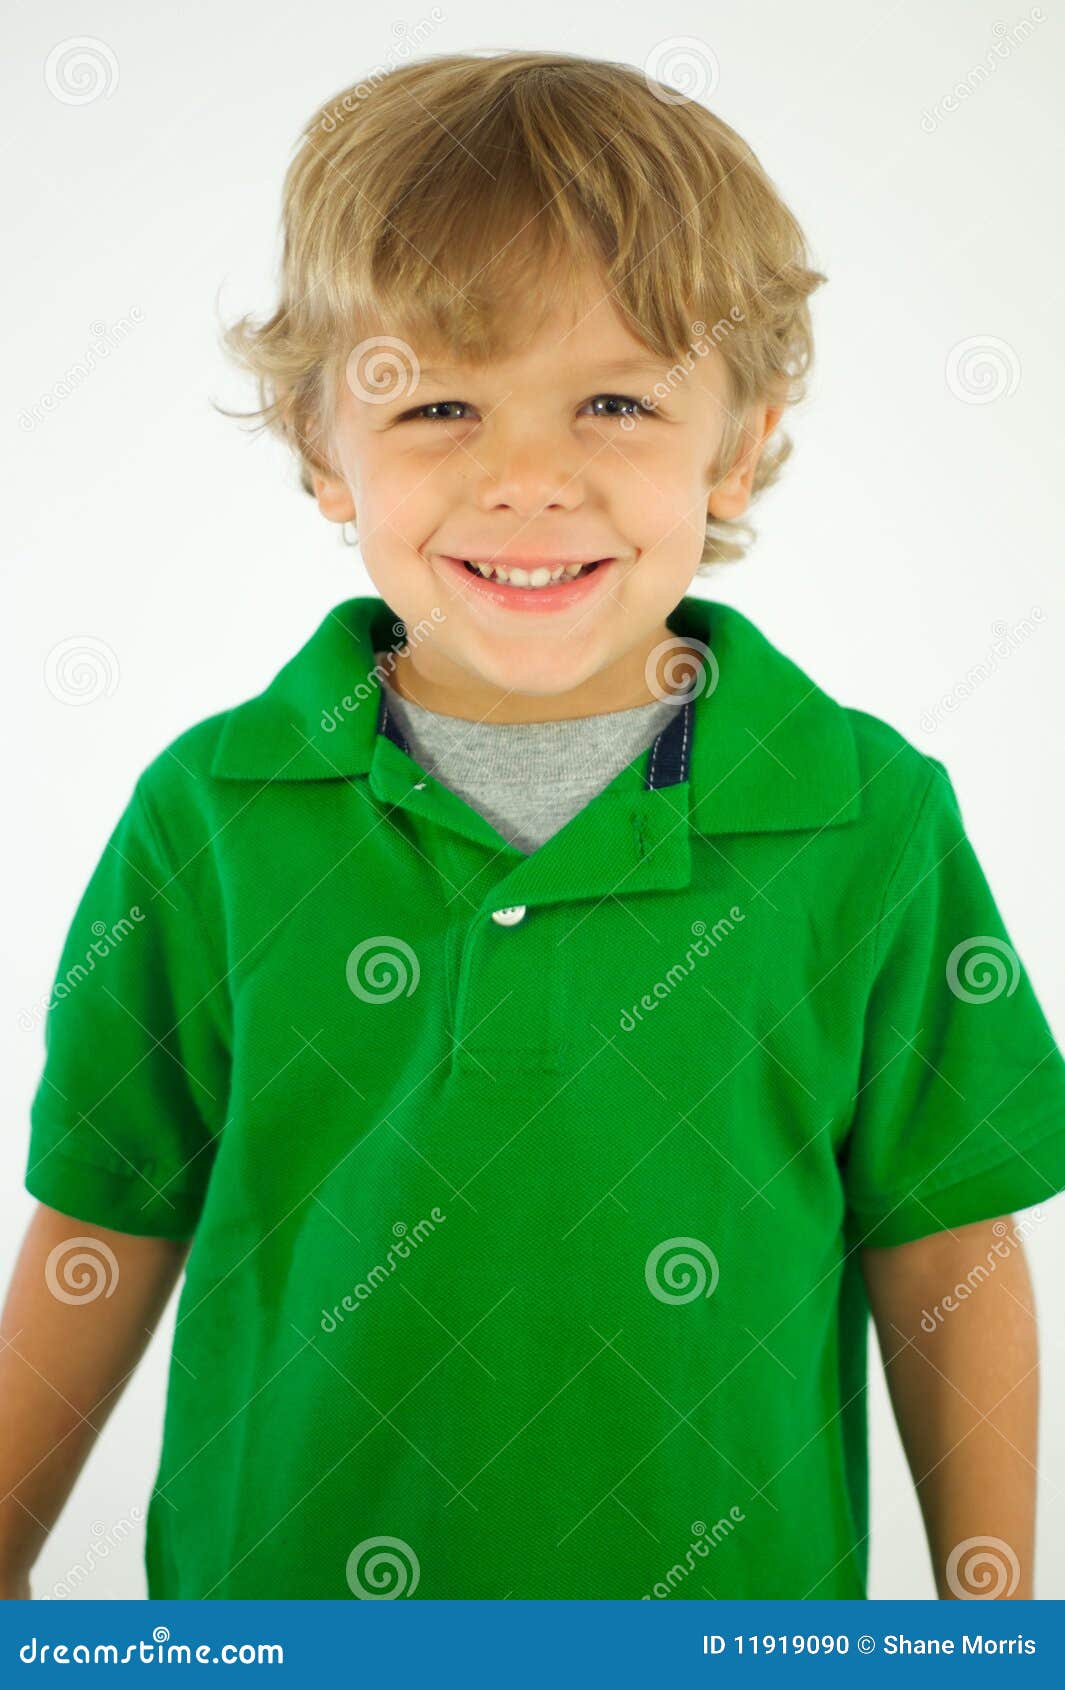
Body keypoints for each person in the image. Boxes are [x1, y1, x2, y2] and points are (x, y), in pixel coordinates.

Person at [4, 49, 1064, 1602]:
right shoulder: (211, 809)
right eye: (434, 401)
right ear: (318, 450)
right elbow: (97, 1224)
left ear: (741, 441)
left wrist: (991, 1622)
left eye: (615, 400)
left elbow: (946, 1247)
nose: (524, 480)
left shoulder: (870, 817)